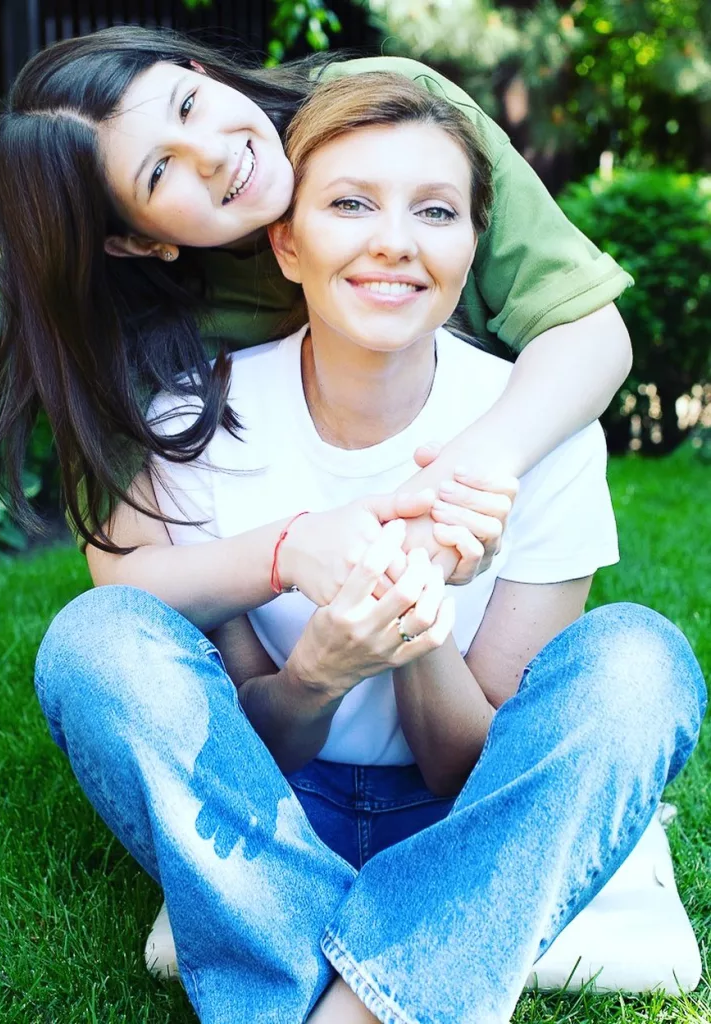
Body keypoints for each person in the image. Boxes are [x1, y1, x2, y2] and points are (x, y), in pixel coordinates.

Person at [35, 74, 705, 1024]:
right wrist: (317, 672)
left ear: (476, 247)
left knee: (640, 664)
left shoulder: (540, 428)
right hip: (271, 821)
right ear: (286, 241)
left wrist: (418, 625)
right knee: (93, 639)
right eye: (349, 204)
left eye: (435, 212)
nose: (394, 241)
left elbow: (476, 774)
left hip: (475, 823)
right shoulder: (194, 424)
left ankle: (351, 1003)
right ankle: (416, 951)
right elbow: (239, 758)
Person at [0, 24, 635, 606]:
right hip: (289, 615)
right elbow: (128, 576)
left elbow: (586, 329)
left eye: (188, 105)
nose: (214, 153)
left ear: (199, 70)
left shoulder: (385, 108)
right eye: (160, 172)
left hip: (491, 533)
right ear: (133, 240)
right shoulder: (136, 326)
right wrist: (290, 554)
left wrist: (455, 482)